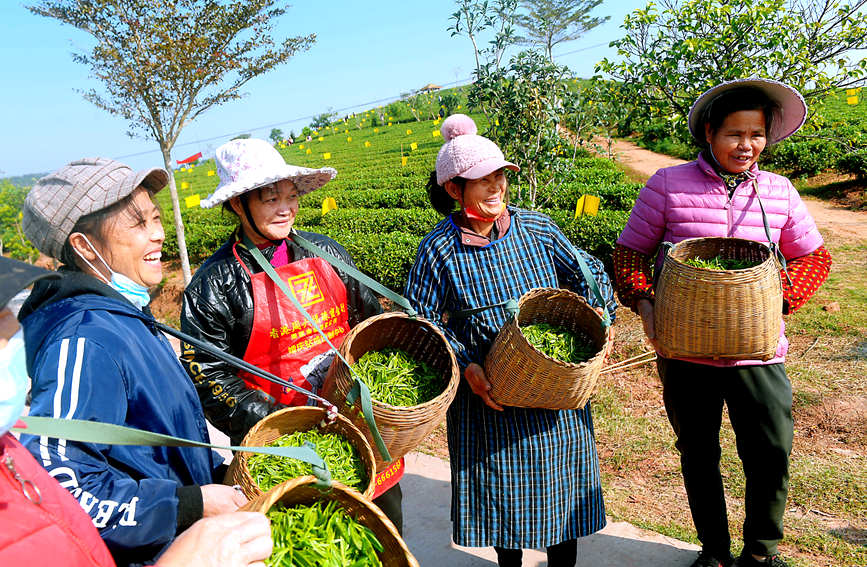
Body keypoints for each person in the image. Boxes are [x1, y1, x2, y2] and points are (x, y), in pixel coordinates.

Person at [612, 79, 832, 567]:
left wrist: (777, 303)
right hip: (686, 352)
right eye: (735, 134)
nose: (746, 145)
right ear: (710, 133)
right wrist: (644, 303)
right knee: (699, 453)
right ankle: (713, 551)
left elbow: (815, 258)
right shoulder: (668, 185)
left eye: (756, 135)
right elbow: (629, 254)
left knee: (770, 449)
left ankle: (761, 552)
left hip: (758, 351)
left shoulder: (778, 190)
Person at [16, 158, 264, 567]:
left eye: (156, 218)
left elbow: (153, 434)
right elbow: (63, 487)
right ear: (84, 247)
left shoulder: (125, 315)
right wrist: (188, 504)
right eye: (138, 224)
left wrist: (217, 475)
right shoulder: (85, 337)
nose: (159, 234)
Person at [403, 114, 617, 567]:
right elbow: (423, 320)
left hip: (554, 387)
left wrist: (602, 313)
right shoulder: (437, 249)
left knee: (562, 496)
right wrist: (467, 365)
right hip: (490, 392)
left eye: (499, 175)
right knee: (504, 500)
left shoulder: (538, 229)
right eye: (481, 180)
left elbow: (590, 274)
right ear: (454, 190)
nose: (495, 186)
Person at [179, 138, 403, 530]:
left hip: (357, 428)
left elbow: (369, 324)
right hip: (286, 448)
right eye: (270, 198)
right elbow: (208, 373)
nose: (286, 208)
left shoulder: (326, 252)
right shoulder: (214, 284)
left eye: (290, 195)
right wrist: (280, 420)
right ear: (238, 204)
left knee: (385, 532)